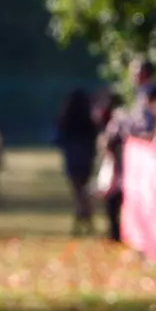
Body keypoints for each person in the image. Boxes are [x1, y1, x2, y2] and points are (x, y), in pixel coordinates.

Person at [56, 88, 101, 236]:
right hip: (85, 157)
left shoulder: (66, 118)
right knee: (83, 191)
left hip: (72, 157)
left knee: (78, 192)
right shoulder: (88, 119)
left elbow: (60, 137)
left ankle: (81, 221)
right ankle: (85, 221)